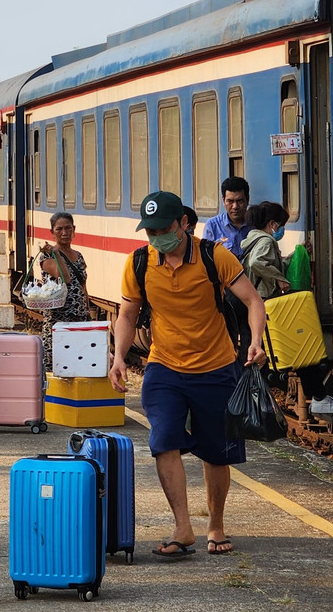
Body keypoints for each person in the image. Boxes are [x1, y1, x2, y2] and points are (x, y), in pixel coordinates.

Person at [111, 191, 266, 560]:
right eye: (150, 231)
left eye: (163, 229)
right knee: (163, 443)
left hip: (215, 367)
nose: (156, 237)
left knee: (216, 454)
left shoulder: (215, 256)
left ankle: (216, 524)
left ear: (183, 223)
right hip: (164, 367)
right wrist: (117, 357)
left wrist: (255, 342)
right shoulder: (139, 263)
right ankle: (183, 527)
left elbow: (253, 301)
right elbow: (128, 314)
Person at [37, 212, 93, 368]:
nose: (64, 233)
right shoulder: (47, 256)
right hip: (59, 323)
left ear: (74, 229)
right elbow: (65, 277)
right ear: (52, 232)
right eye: (59, 229)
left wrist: (87, 312)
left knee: (80, 365)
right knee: (58, 367)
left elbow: (83, 286)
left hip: (80, 321)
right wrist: (56, 253)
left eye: (68, 228)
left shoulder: (79, 256)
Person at [240, 202, 291, 301]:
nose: (282, 229)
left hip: (255, 295)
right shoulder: (266, 241)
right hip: (263, 297)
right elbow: (256, 262)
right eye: (281, 225)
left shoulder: (255, 238)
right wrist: (278, 278)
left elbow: (273, 264)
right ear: (272, 224)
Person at [201, 176, 250, 258]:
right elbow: (207, 259)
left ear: (247, 199)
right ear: (223, 200)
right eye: (230, 201)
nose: (235, 206)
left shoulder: (256, 224)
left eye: (240, 201)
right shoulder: (212, 226)